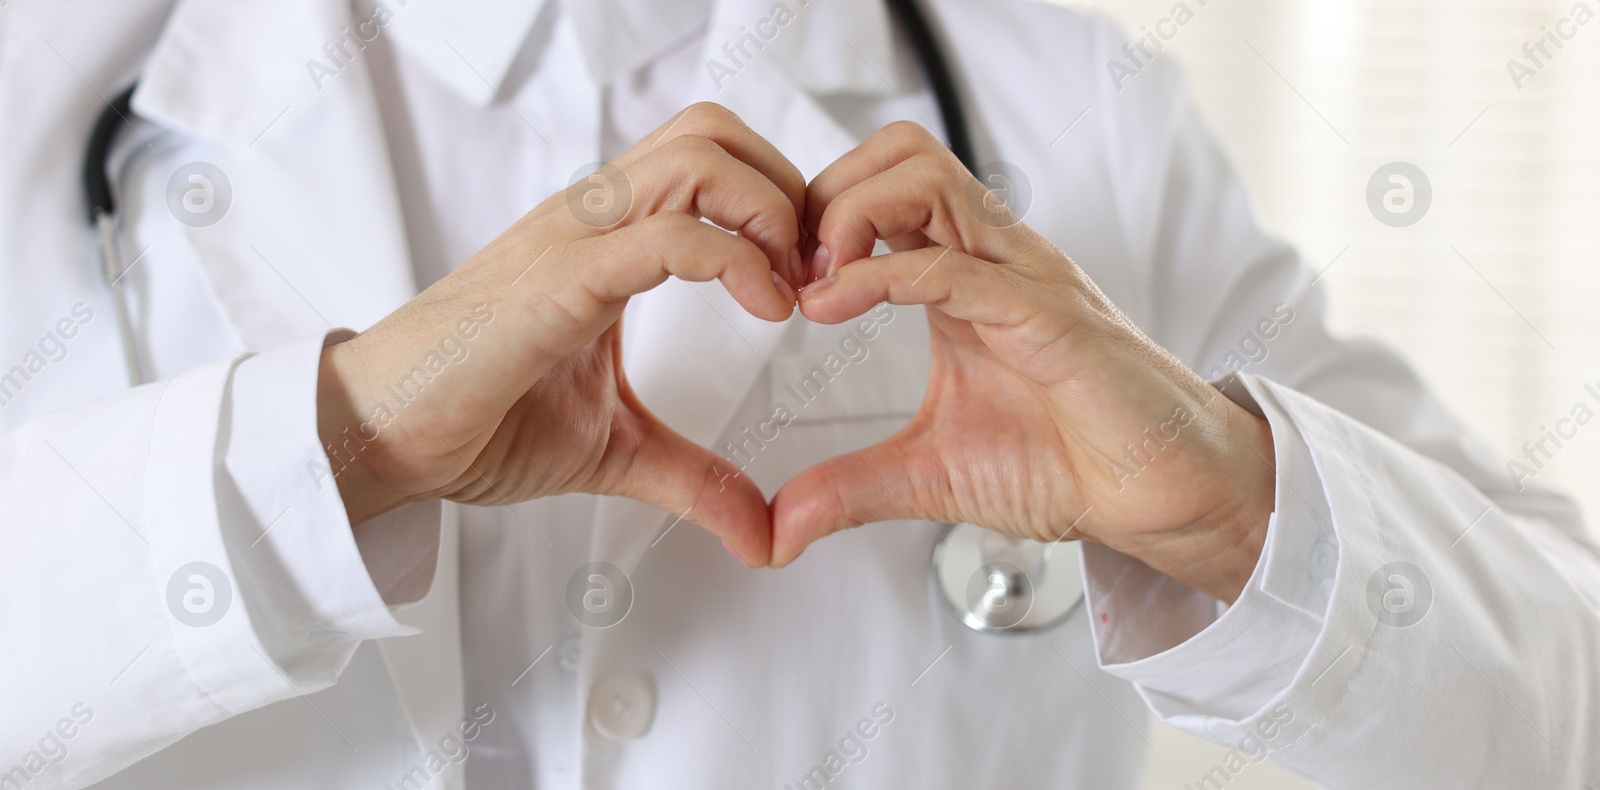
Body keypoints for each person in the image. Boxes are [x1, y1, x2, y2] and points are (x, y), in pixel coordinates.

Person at [1, 0, 1595, 787]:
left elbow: (1562, 692)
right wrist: (336, 447)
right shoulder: (60, 87)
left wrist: (1245, 511)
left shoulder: (1069, 108)